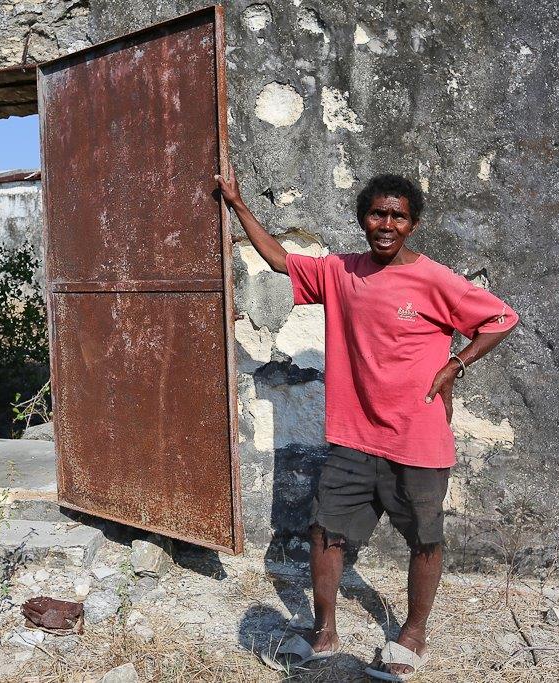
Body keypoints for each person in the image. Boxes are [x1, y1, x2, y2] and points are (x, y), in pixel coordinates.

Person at [215, 166, 518, 681]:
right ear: (363, 219)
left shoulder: (435, 279)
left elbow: (501, 318)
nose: (386, 223)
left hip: (417, 437)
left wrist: (453, 366)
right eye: (378, 213)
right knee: (325, 531)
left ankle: (414, 632)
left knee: (424, 537)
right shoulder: (341, 272)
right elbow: (280, 260)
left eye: (398, 216)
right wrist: (238, 206)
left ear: (413, 224)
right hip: (354, 436)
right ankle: (324, 631)